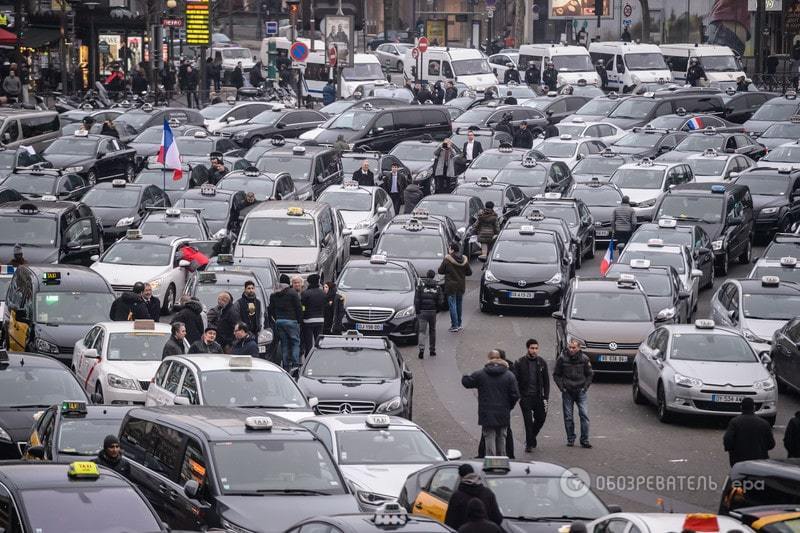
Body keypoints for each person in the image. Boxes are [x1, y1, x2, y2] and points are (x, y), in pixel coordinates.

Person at [461, 350, 520, 457]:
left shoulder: (481, 374)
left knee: (489, 437)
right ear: (501, 359)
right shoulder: (509, 375)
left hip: (487, 413)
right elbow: (515, 395)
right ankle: (502, 462)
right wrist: (509, 406)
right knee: (502, 437)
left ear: (489, 359)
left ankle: (490, 462)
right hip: (503, 412)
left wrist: (465, 375)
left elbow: (467, 382)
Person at [553, 340, 593, 448]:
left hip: (580, 391)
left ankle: (584, 440)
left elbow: (590, 374)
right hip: (568, 392)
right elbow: (556, 374)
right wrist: (562, 388)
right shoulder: (562, 359)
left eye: (574, 347)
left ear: (579, 348)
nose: (571, 349)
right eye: (570, 347)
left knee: (584, 415)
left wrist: (585, 388)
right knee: (568, 417)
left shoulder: (584, 359)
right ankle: (570, 438)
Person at [514, 339, 550, 452]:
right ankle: (529, 444)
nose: (534, 350)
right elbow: (515, 380)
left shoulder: (542, 362)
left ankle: (532, 437)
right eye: (532, 348)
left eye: (536, 348)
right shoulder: (520, 362)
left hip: (539, 397)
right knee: (528, 421)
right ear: (528, 348)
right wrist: (519, 396)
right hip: (526, 397)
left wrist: (546, 397)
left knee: (541, 418)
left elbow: (546, 382)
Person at [444, 464, 503, 530]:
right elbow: (497, 518)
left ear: (460, 477)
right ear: (473, 473)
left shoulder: (457, 497)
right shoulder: (488, 493)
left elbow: (450, 522)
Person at [723, 397, 775, 466]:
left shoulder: (734, 422)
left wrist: (732, 451)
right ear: (754, 407)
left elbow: (727, 439)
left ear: (741, 408)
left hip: (739, 460)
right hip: (759, 460)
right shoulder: (764, 423)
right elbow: (771, 444)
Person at [269, 274, 303, 369]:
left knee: (284, 344)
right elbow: (298, 307)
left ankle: (286, 365)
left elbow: (271, 309)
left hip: (279, 321)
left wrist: (276, 319)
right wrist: (299, 321)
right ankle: (295, 365)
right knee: (295, 342)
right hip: (291, 321)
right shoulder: (292, 293)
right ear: (288, 282)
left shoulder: (274, 294)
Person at [438, 242, 471, 332]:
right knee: (459, 304)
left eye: (449, 248)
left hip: (451, 286)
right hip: (461, 286)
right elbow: (469, 272)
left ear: (452, 249)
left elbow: (440, 271)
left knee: (452, 305)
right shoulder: (464, 259)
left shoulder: (447, 259)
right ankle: (459, 324)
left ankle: (454, 325)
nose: (449, 250)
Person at [415, 269, 440, 359]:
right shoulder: (437, 287)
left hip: (422, 311)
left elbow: (417, 300)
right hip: (432, 312)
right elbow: (440, 301)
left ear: (426, 276)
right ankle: (432, 350)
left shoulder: (421, 287)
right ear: (434, 276)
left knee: (422, 332)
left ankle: (421, 350)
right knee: (432, 331)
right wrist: (437, 310)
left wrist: (418, 311)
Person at [300, 274, 326, 356]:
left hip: (308, 320)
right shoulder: (322, 293)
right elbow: (325, 305)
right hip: (320, 320)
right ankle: (318, 357)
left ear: (309, 282)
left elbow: (302, 306)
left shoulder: (305, 293)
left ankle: (308, 358)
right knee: (318, 341)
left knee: (308, 343)